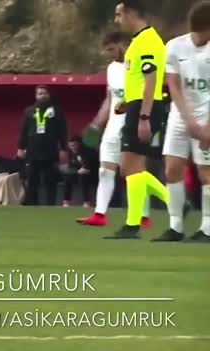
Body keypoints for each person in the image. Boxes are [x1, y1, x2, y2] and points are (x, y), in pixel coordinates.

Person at [105, 0, 170, 239]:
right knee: (131, 168)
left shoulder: (148, 41)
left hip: (146, 109)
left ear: (131, 13)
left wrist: (143, 115)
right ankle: (133, 224)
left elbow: (151, 80)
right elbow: (139, 81)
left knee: (130, 166)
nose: (116, 20)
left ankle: (169, 203)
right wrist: (128, 103)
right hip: (137, 106)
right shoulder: (138, 42)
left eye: (119, 14)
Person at [77, 31, 152, 227]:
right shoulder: (111, 69)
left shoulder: (138, 65)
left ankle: (143, 216)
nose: (109, 53)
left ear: (123, 44)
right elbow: (111, 100)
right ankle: (99, 214)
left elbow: (145, 95)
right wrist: (96, 124)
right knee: (105, 170)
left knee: (135, 172)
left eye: (111, 49)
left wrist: (143, 119)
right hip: (113, 126)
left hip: (133, 123)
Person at [153, 1, 210, 243]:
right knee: (171, 169)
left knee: (206, 173)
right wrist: (187, 119)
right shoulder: (174, 46)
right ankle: (175, 226)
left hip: (207, 115)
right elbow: (173, 85)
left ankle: (207, 229)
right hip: (180, 114)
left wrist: (206, 125)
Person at [17, 85, 68, 206]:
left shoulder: (57, 111)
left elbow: (62, 131)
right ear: (36, 96)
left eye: (45, 93)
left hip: (50, 151)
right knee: (32, 180)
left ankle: (50, 205)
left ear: (49, 95)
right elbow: (23, 130)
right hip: (32, 151)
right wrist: (20, 147)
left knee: (50, 180)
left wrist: (63, 148)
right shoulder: (29, 111)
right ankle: (33, 205)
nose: (42, 95)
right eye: (40, 93)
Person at [62, 136, 99, 208]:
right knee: (67, 178)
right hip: (80, 173)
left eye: (74, 145)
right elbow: (71, 166)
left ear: (80, 144)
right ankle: (66, 201)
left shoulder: (88, 152)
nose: (73, 147)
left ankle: (86, 202)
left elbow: (86, 169)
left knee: (83, 177)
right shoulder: (71, 152)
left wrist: (74, 172)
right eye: (70, 145)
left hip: (94, 175)